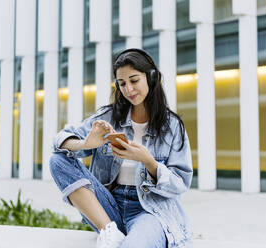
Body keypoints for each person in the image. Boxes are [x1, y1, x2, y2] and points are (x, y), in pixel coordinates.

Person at [49, 48, 193, 248]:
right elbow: (59, 141)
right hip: (109, 207)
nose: (128, 89)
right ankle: (109, 231)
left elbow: (181, 182)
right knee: (58, 160)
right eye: (122, 83)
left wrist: (148, 161)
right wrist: (86, 144)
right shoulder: (107, 117)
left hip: (149, 211)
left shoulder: (172, 126)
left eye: (134, 81)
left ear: (150, 78)